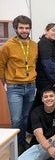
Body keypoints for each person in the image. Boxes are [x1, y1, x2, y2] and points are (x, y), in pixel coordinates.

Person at [0, 15, 38, 152]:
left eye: (27, 28)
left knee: (26, 117)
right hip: (14, 87)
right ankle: (16, 146)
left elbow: (34, 63)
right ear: (16, 29)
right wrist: (4, 82)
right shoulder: (7, 46)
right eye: (21, 28)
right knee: (16, 120)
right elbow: (1, 65)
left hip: (30, 85)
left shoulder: (34, 45)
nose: (24, 30)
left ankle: (22, 142)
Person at [19, 87, 55, 160]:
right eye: (45, 97)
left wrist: (51, 140)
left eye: (51, 96)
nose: (48, 99)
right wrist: (49, 147)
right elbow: (38, 134)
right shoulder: (36, 112)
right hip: (41, 144)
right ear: (42, 99)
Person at [33, 23, 55, 109]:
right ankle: (33, 121)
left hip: (45, 79)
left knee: (40, 103)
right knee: (41, 104)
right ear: (46, 31)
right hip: (45, 80)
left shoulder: (48, 43)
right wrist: (53, 78)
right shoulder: (45, 43)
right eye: (53, 30)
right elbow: (47, 63)